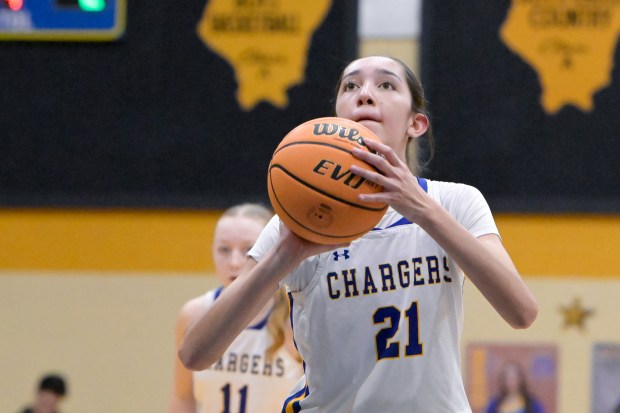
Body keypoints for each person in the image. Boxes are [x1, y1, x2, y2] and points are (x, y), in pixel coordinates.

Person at [178, 56, 539, 412]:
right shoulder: (298, 220)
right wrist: (284, 256)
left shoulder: (455, 202)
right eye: (351, 86)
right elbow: (196, 353)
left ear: (416, 124)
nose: (365, 94)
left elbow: (521, 312)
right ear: (337, 119)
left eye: (386, 85)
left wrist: (422, 210)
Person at [168, 203, 303, 413]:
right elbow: (182, 397)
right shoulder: (193, 314)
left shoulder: (295, 317)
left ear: (271, 250)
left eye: (248, 250)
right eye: (224, 249)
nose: (234, 262)